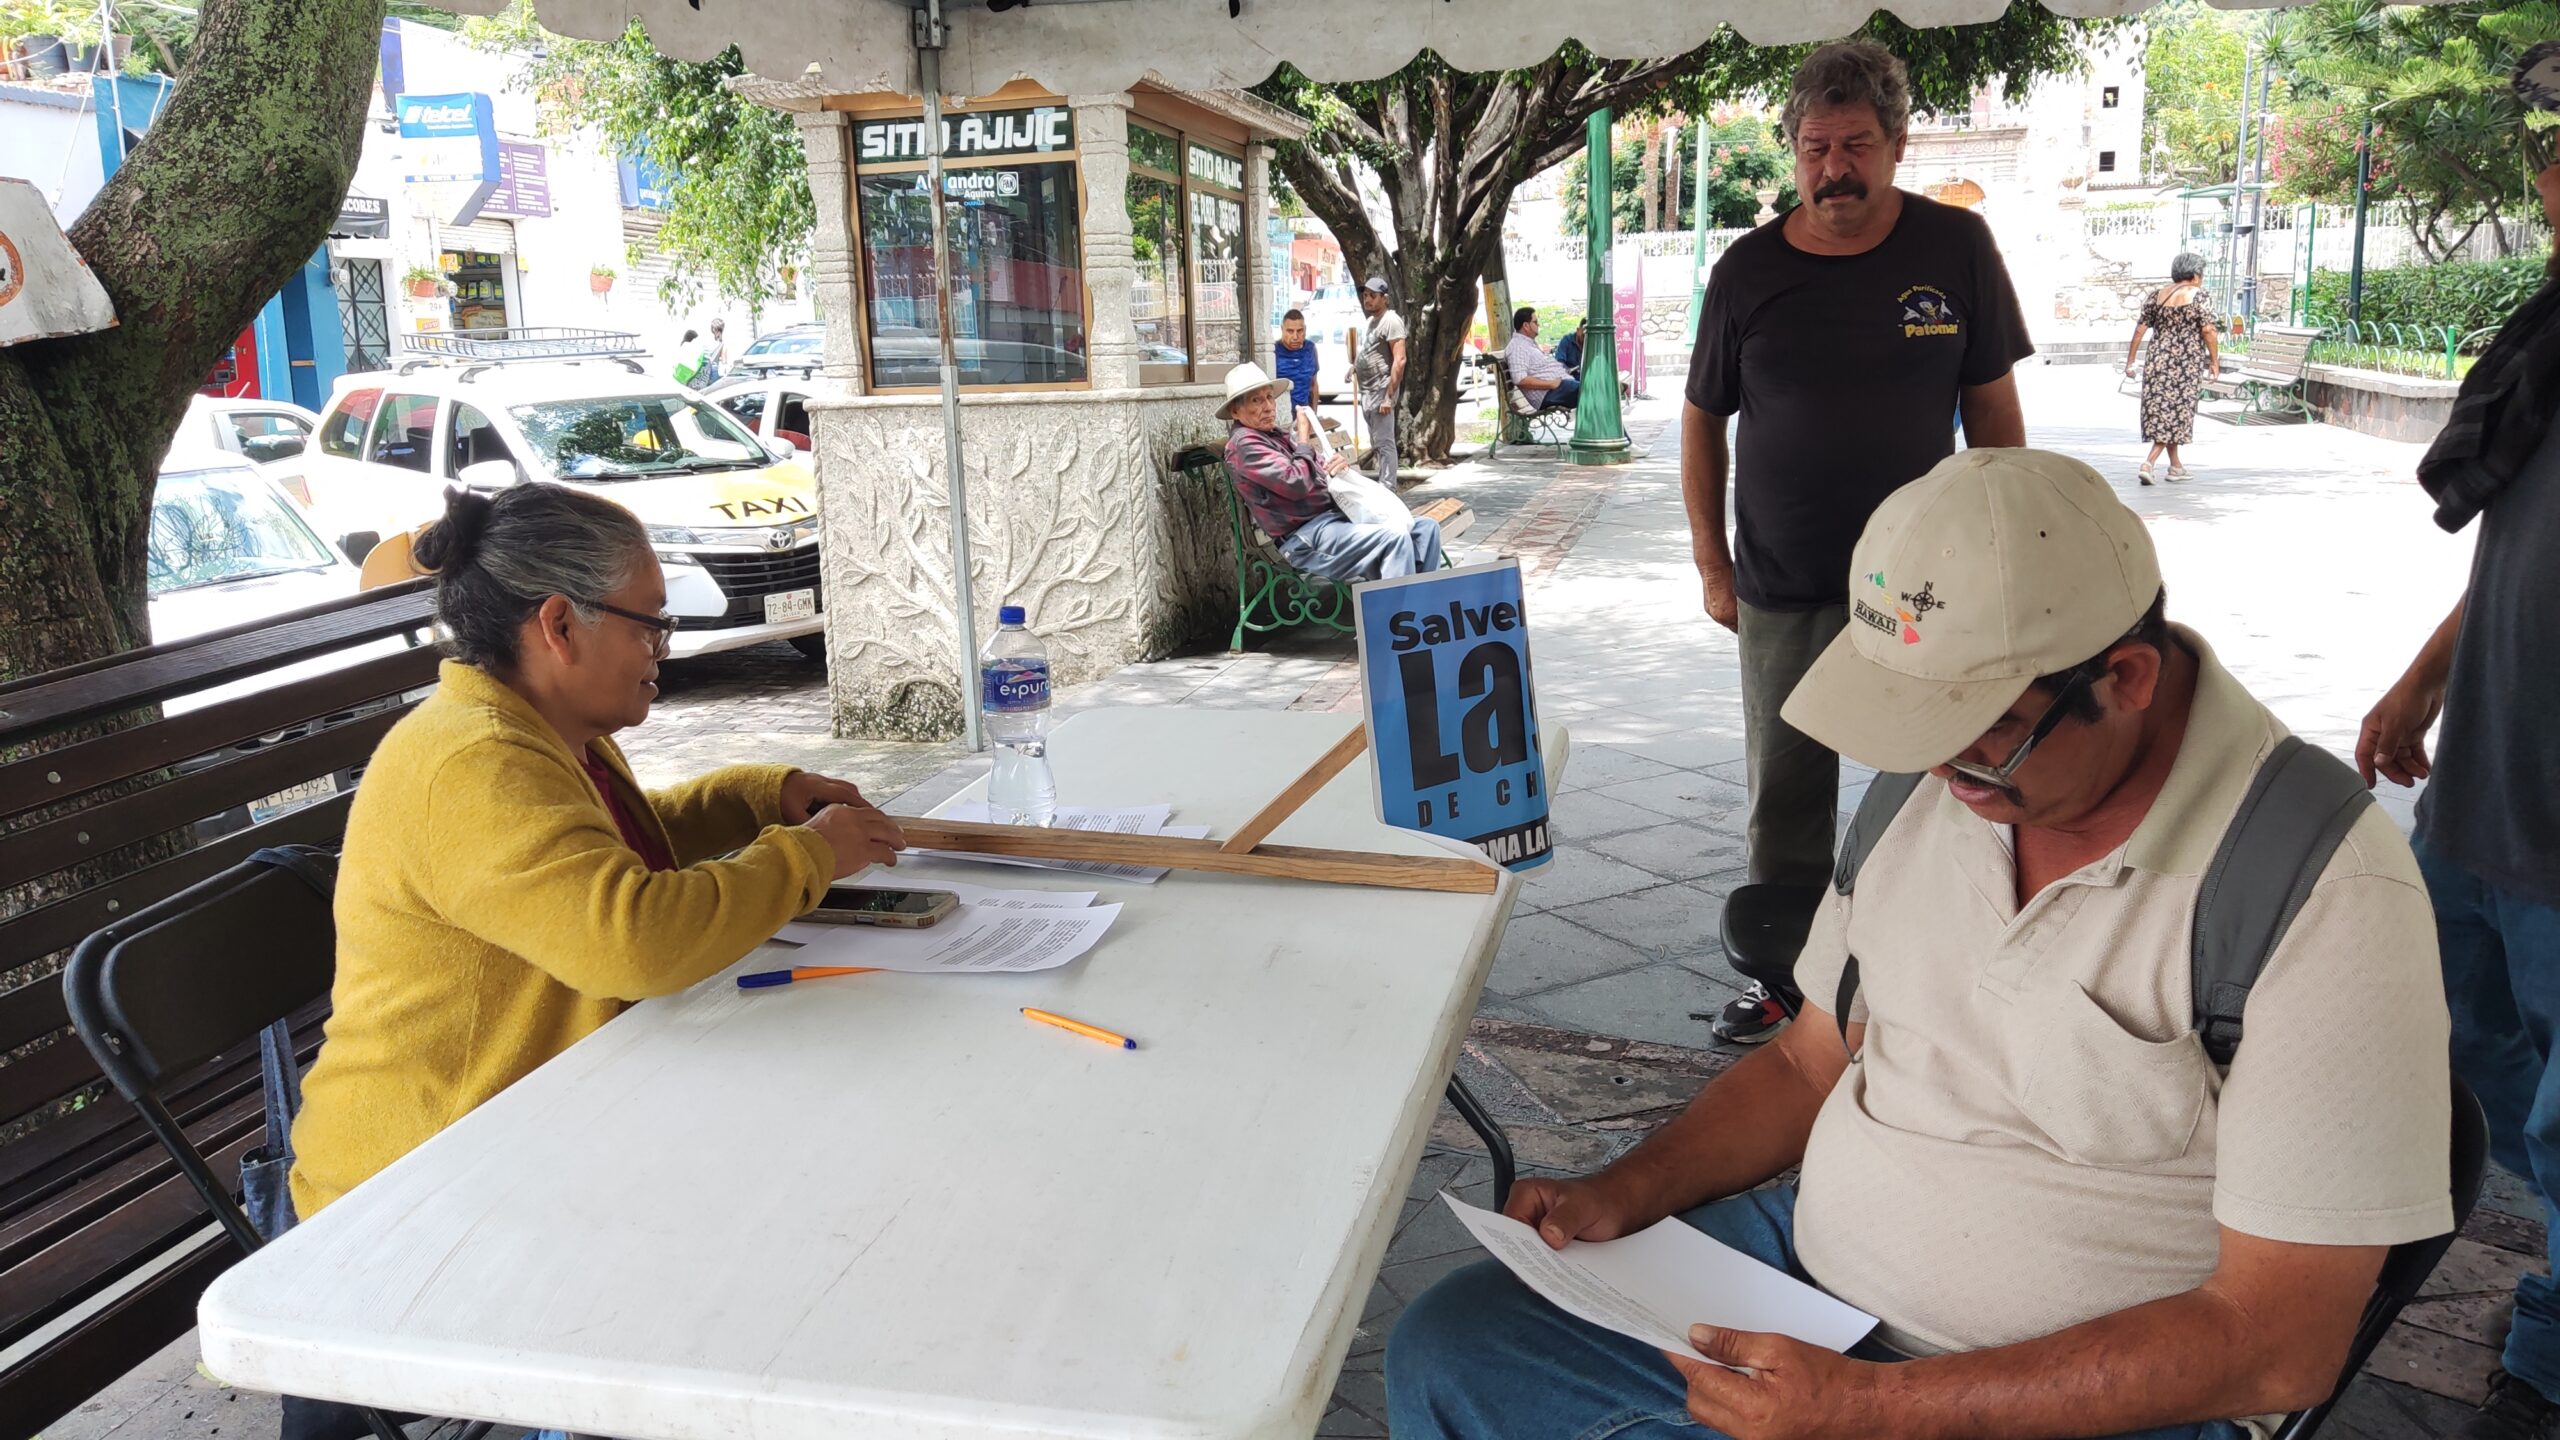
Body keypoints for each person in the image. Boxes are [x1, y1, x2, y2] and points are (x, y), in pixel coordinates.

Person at [1388, 448, 2453, 1440]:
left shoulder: (2317, 888)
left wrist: (1878, 1409)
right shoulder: (1931, 787)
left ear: (2125, 678)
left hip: (2088, 1391)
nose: (1945, 774)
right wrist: (1627, 1187)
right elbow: (1812, 1060)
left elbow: (2277, 1347)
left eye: (1979, 734)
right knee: (1458, 1349)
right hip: (1805, 1285)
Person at [288, 483, 908, 1221]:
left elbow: (602, 856)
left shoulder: (538, 729)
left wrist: (755, 799)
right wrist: (806, 858)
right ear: (559, 624)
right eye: (650, 624)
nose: (662, 648)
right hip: (414, 1191)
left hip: (530, 1135)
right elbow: (634, 940)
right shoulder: (473, 761)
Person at [1682, 39, 2034, 1044]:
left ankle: (1930, 975)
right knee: (1784, 794)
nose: (1834, 167)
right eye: (1814, 147)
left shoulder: (1954, 249)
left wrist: (2004, 549)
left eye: (1856, 144)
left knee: (1945, 781)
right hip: (1783, 580)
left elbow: (1993, 409)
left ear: (1897, 143)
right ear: (1793, 151)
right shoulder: (1747, 270)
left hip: (1923, 586)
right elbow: (1702, 421)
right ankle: (1786, 982)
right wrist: (1713, 565)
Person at [2358, 84, 2560, 1440]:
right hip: (2486, 782)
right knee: (2472, 1049)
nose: (2549, 175)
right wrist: (2419, 683)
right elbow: (2514, 545)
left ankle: (2545, 1357)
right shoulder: (2549, 342)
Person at [1221, 361, 1442, 581]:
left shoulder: (1273, 434)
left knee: (1425, 530)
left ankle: (1423, 607)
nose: (1268, 406)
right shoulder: (1244, 445)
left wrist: (1336, 467)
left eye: (1269, 397)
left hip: (1336, 518)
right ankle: (1397, 614)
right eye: (1256, 400)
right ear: (1235, 411)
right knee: (1394, 538)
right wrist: (1304, 440)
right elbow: (1296, 483)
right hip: (1305, 536)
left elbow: (1314, 468)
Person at [2125, 253, 2221, 485]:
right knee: (2176, 415)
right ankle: (2149, 463)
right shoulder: (2199, 296)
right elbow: (2208, 330)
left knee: (2163, 411)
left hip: (2157, 360)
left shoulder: (2157, 296)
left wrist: (2130, 361)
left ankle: (2176, 466)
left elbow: (2140, 330)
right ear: (2196, 273)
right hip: (2185, 363)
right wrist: (2214, 361)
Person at [1350, 277, 1409, 485]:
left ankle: (1388, 488)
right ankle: (1384, 484)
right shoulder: (1371, 322)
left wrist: (1388, 396)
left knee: (1385, 444)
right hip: (1367, 392)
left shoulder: (1391, 321)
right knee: (1377, 442)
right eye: (1365, 295)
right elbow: (1369, 351)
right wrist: (1355, 367)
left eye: (1373, 296)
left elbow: (1399, 360)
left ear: (1385, 298)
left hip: (1381, 391)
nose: (1367, 300)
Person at [1501, 307, 1580, 412]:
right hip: (1549, 394)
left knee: (1595, 386)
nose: (1538, 325)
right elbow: (1519, 379)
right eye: (1535, 322)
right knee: (1593, 390)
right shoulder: (1517, 347)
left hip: (1558, 387)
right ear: (1526, 326)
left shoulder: (1527, 344)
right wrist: (1551, 384)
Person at [1274, 307, 1321, 419]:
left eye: (1299, 331)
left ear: (1305, 330)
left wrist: (1313, 416)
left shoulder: (1310, 349)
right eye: (1290, 331)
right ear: (1282, 329)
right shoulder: (1274, 351)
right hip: (1279, 417)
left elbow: (1313, 385)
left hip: (1303, 415)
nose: (1295, 337)